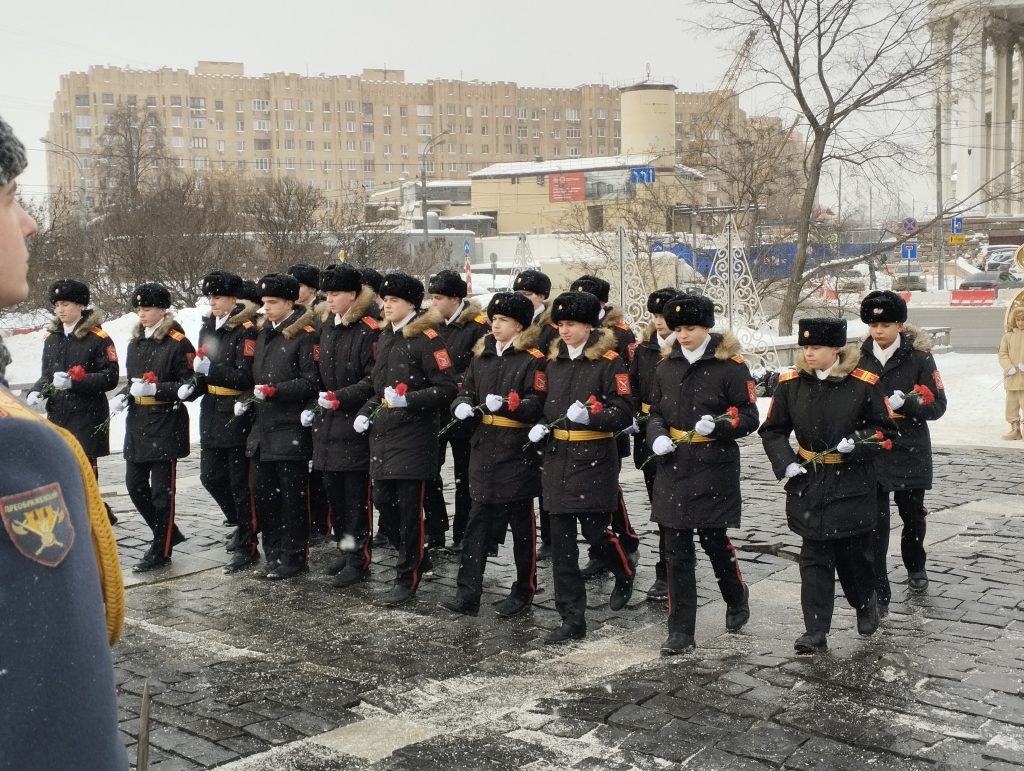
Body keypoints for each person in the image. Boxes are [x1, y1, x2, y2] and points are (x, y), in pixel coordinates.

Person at [0, 113, 127, 770]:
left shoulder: (94, 337)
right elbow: (58, 727)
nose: (30, 224)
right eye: (11, 198)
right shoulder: (17, 454)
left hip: (89, 425)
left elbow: (107, 372)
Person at [759, 317, 894, 654]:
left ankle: (865, 602)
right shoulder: (790, 383)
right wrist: (786, 461)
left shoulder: (864, 382)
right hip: (810, 482)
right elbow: (772, 429)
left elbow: (885, 431)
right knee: (814, 556)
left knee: (853, 556)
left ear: (836, 349)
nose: (808, 353)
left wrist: (859, 442)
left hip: (851, 483)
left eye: (816, 347)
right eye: (805, 347)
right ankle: (815, 630)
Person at [646, 294, 759, 654]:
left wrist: (722, 425)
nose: (682, 335)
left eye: (690, 328)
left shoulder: (731, 367)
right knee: (676, 550)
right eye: (677, 329)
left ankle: (735, 594)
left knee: (714, 543)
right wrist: (657, 436)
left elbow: (750, 416)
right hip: (673, 467)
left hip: (714, 466)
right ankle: (680, 630)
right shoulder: (665, 367)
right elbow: (654, 413)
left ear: (707, 327)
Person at [528, 290, 635, 643]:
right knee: (561, 546)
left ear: (589, 325)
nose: (564, 331)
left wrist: (592, 416)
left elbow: (623, 412)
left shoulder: (609, 362)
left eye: (571, 324)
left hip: (593, 459)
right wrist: (542, 424)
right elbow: (544, 401)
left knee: (595, 533)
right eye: (560, 324)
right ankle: (571, 618)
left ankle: (622, 568)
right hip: (557, 458)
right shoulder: (552, 360)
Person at [440, 292, 546, 617]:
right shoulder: (482, 355)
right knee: (476, 524)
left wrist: (515, 407)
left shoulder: (534, 359)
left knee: (522, 528)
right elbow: (466, 390)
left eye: (502, 320)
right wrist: (460, 407)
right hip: (484, 448)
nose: (495, 324)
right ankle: (467, 592)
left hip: (516, 453)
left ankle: (524, 589)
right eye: (493, 319)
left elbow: (539, 401)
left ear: (519, 324)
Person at [355, 272, 458, 607]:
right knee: (384, 502)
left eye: (394, 300)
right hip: (384, 434)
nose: (386, 306)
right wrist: (368, 410)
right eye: (384, 300)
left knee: (409, 511)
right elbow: (377, 384)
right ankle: (414, 557)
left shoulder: (428, 338)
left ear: (411, 304)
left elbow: (445, 388)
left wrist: (409, 400)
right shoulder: (387, 335)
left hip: (414, 437)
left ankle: (407, 577)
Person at [857, 291, 947, 603]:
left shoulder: (919, 356)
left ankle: (915, 565)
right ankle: (877, 581)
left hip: (910, 448)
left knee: (912, 515)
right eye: (872, 324)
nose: (878, 330)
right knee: (875, 520)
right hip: (876, 448)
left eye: (884, 324)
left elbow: (938, 404)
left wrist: (908, 403)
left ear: (899, 324)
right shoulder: (859, 357)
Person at [238, 273, 319, 580]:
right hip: (263, 430)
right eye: (264, 302)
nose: (266, 308)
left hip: (290, 430)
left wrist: (277, 390)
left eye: (273, 302)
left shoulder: (305, 334)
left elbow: (311, 381)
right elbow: (253, 376)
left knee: (293, 500)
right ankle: (273, 555)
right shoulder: (263, 334)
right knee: (265, 497)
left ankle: (295, 557)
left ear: (289, 302)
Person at [110, 282, 195, 572]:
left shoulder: (177, 342)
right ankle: (168, 533)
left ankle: (161, 547)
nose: (141, 314)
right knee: (134, 486)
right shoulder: (135, 342)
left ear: (162, 309)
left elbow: (190, 385)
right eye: (138, 309)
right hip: (137, 425)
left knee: (161, 493)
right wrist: (123, 397)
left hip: (164, 423)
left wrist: (157, 389)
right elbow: (133, 381)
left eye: (147, 309)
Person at [182, 270, 260, 574]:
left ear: (233, 298)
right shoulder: (208, 328)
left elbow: (246, 377)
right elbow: (203, 372)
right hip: (212, 410)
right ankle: (244, 523)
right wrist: (192, 385)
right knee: (210, 476)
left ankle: (247, 542)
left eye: (218, 296)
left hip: (236, 411)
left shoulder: (246, 330)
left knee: (241, 483)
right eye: (210, 297)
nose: (212, 302)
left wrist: (212, 371)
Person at [305, 263, 378, 587]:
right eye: (327, 294)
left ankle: (359, 558)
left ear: (352, 294)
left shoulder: (367, 328)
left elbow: (374, 378)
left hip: (354, 424)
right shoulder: (328, 326)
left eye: (336, 294)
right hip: (328, 425)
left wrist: (342, 397)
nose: (329, 299)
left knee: (355, 499)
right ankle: (346, 549)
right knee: (335, 496)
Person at [28, 278, 120, 525]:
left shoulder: (98, 337)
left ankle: (92, 524)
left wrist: (75, 383)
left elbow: (110, 377)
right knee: (62, 472)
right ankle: (96, 514)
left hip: (87, 417)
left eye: (66, 303)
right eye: (57, 304)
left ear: (80, 305)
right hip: (60, 415)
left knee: (85, 474)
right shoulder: (52, 337)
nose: (60, 309)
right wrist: (37, 391)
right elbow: (47, 374)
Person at [568, 274, 640, 576]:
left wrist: (626, 415)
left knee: (608, 488)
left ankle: (624, 539)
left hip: (609, 422)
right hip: (574, 426)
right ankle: (601, 546)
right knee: (586, 492)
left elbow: (631, 377)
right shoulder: (569, 330)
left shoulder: (619, 334)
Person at [423, 269, 489, 551]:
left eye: (438, 297)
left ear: (455, 298)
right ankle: (435, 529)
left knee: (465, 476)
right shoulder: (429, 325)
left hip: (463, 410)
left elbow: (481, 367)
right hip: (436, 410)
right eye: (432, 297)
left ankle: (464, 533)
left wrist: (457, 384)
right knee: (429, 471)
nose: (434, 303)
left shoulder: (477, 326)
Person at [628, 288, 678, 601]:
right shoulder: (644, 350)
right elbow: (633, 387)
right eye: (655, 316)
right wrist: (630, 413)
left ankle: (669, 568)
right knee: (658, 504)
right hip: (649, 430)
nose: (659, 322)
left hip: (679, 433)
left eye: (665, 316)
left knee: (672, 506)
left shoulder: (683, 348)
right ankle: (668, 563)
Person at [514, 268, 557, 560]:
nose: (523, 299)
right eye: (519, 294)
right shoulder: (514, 320)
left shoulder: (553, 328)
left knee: (546, 479)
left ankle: (551, 537)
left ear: (541, 296)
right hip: (518, 408)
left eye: (527, 294)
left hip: (545, 406)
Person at [288, 262, 330, 542]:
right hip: (298, 398)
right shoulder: (294, 315)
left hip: (321, 394)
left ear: (312, 289)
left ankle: (321, 522)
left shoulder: (321, 315)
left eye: (299, 285)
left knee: (319, 468)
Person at [998, 306, 1024, 440]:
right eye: (1018, 320)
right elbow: (1002, 354)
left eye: (1023, 320)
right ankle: (1015, 429)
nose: (1021, 323)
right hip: (1012, 378)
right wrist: (1009, 367)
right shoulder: (1008, 336)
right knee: (1011, 405)